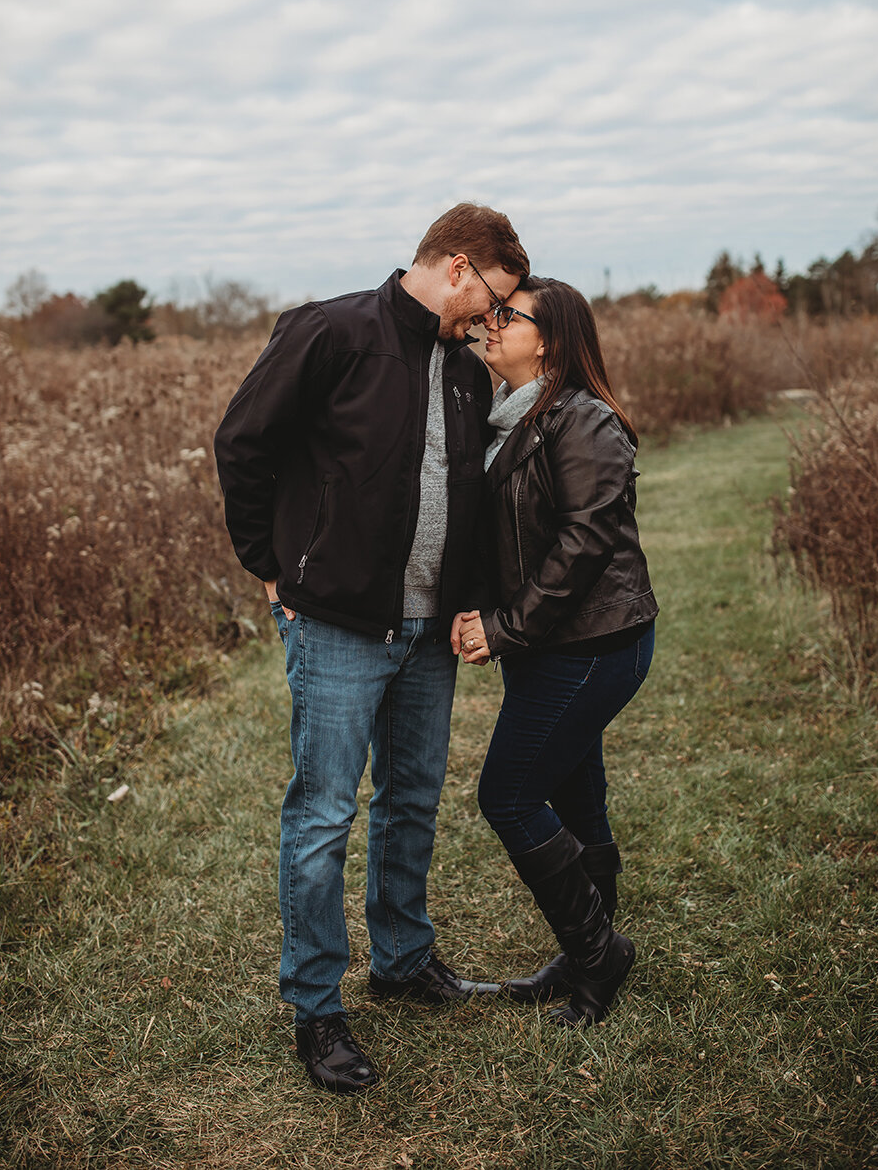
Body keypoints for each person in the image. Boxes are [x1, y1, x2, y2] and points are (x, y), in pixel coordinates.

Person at [214, 205, 529, 1093]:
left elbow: (463, 494)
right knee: (323, 816)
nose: (493, 320)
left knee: (413, 800)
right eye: (493, 299)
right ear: (459, 267)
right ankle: (318, 1009)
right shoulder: (332, 332)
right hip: (338, 626)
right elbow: (243, 442)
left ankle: (402, 958)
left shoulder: (466, 370)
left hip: (430, 632)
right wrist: (269, 567)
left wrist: (472, 606)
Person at [451, 276, 657, 1027]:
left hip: (596, 643)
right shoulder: (505, 418)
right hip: (548, 644)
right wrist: (475, 609)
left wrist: (504, 628)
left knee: (507, 795)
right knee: (575, 796)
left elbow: (582, 545)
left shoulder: (585, 420)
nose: (492, 324)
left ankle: (600, 954)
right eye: (493, 314)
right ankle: (586, 951)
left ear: (553, 339)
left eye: (511, 316)